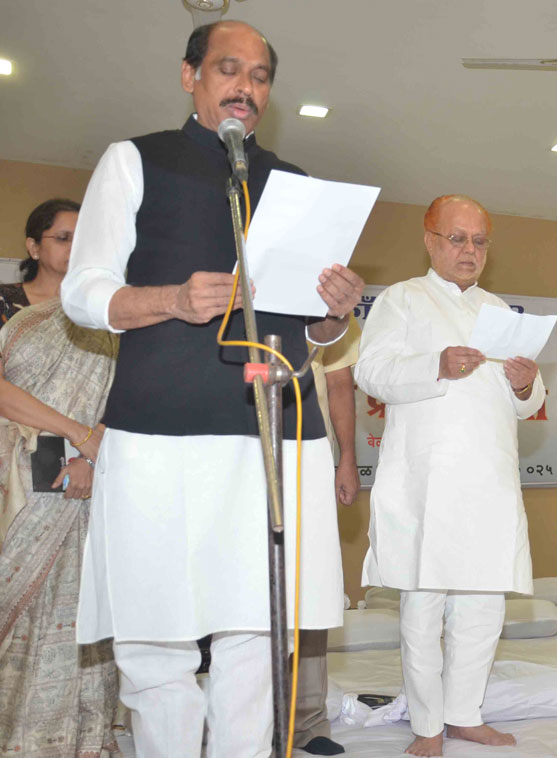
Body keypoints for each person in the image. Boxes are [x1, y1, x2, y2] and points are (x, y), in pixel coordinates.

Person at [60, 21, 361, 756]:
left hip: (277, 435)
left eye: (260, 77)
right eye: (230, 70)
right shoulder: (135, 160)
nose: (246, 88)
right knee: (155, 640)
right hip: (161, 433)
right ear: (190, 74)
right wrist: (170, 299)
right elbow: (83, 290)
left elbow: (311, 333)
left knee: (258, 639)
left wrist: (332, 316)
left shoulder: (296, 186)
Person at [354, 194, 544, 757]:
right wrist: (434, 364)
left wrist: (525, 382)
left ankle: (465, 714)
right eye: (457, 238)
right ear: (430, 240)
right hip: (426, 483)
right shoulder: (402, 299)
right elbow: (372, 372)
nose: (469, 250)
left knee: (484, 608)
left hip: (490, 481)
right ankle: (427, 723)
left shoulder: (503, 311)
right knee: (424, 606)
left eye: (479, 241)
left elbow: (528, 403)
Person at [0, 199, 119, 756]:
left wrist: (92, 453)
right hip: (14, 483)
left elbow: (127, 395)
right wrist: (77, 431)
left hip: (87, 480)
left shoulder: (107, 315)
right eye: (62, 237)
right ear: (34, 247)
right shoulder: (10, 308)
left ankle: (79, 738)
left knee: (81, 608)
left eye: (82, 238)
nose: (73, 249)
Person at [291, 316, 363, 756]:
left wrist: (347, 457)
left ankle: (308, 721)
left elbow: (339, 384)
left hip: (309, 452)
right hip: (234, 447)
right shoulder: (228, 279)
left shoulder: (328, 299)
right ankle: (251, 715)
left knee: (310, 585)